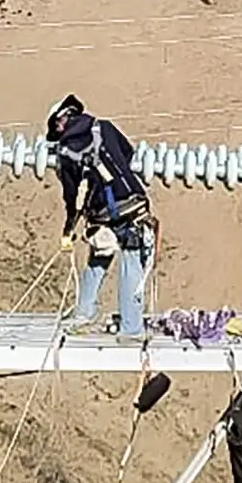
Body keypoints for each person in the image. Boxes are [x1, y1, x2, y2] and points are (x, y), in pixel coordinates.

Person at [49, 94, 155, 337]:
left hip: (105, 213)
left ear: (61, 121)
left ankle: (87, 313)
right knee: (132, 265)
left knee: (101, 256)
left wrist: (69, 228)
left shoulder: (66, 151)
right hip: (134, 202)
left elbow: (71, 194)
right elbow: (127, 152)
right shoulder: (104, 127)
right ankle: (130, 326)